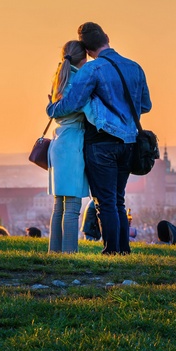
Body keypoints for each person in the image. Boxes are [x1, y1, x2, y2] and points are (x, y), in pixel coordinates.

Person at [47, 22, 152, 255]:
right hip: (129, 142)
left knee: (105, 201)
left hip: (101, 143)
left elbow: (72, 104)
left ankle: (112, 251)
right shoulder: (135, 67)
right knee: (118, 200)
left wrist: (51, 108)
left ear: (87, 49)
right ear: (107, 37)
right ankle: (123, 250)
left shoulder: (91, 70)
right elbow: (145, 105)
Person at [47, 41, 90, 253]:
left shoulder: (59, 78)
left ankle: (54, 253)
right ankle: (69, 255)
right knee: (72, 208)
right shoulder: (78, 80)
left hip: (57, 143)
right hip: (73, 144)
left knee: (58, 207)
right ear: (84, 58)